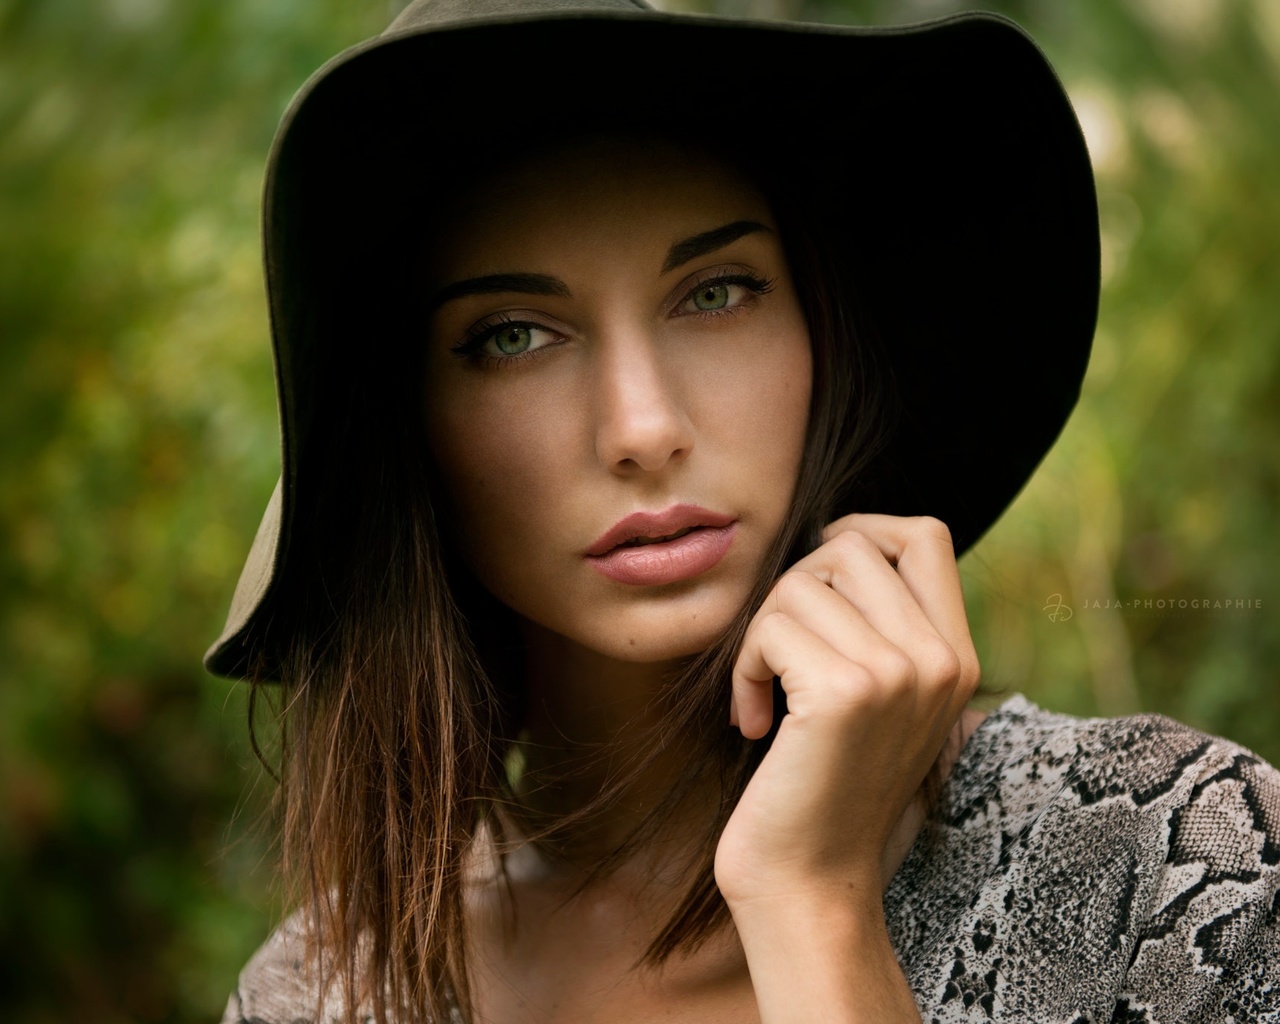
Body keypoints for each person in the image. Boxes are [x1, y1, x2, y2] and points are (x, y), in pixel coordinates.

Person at [208, 1, 1280, 1022]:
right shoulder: (319, 994)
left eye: (714, 292)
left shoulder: (1172, 865)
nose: (641, 425)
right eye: (512, 335)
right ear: (411, 436)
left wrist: (809, 903)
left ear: (822, 332)